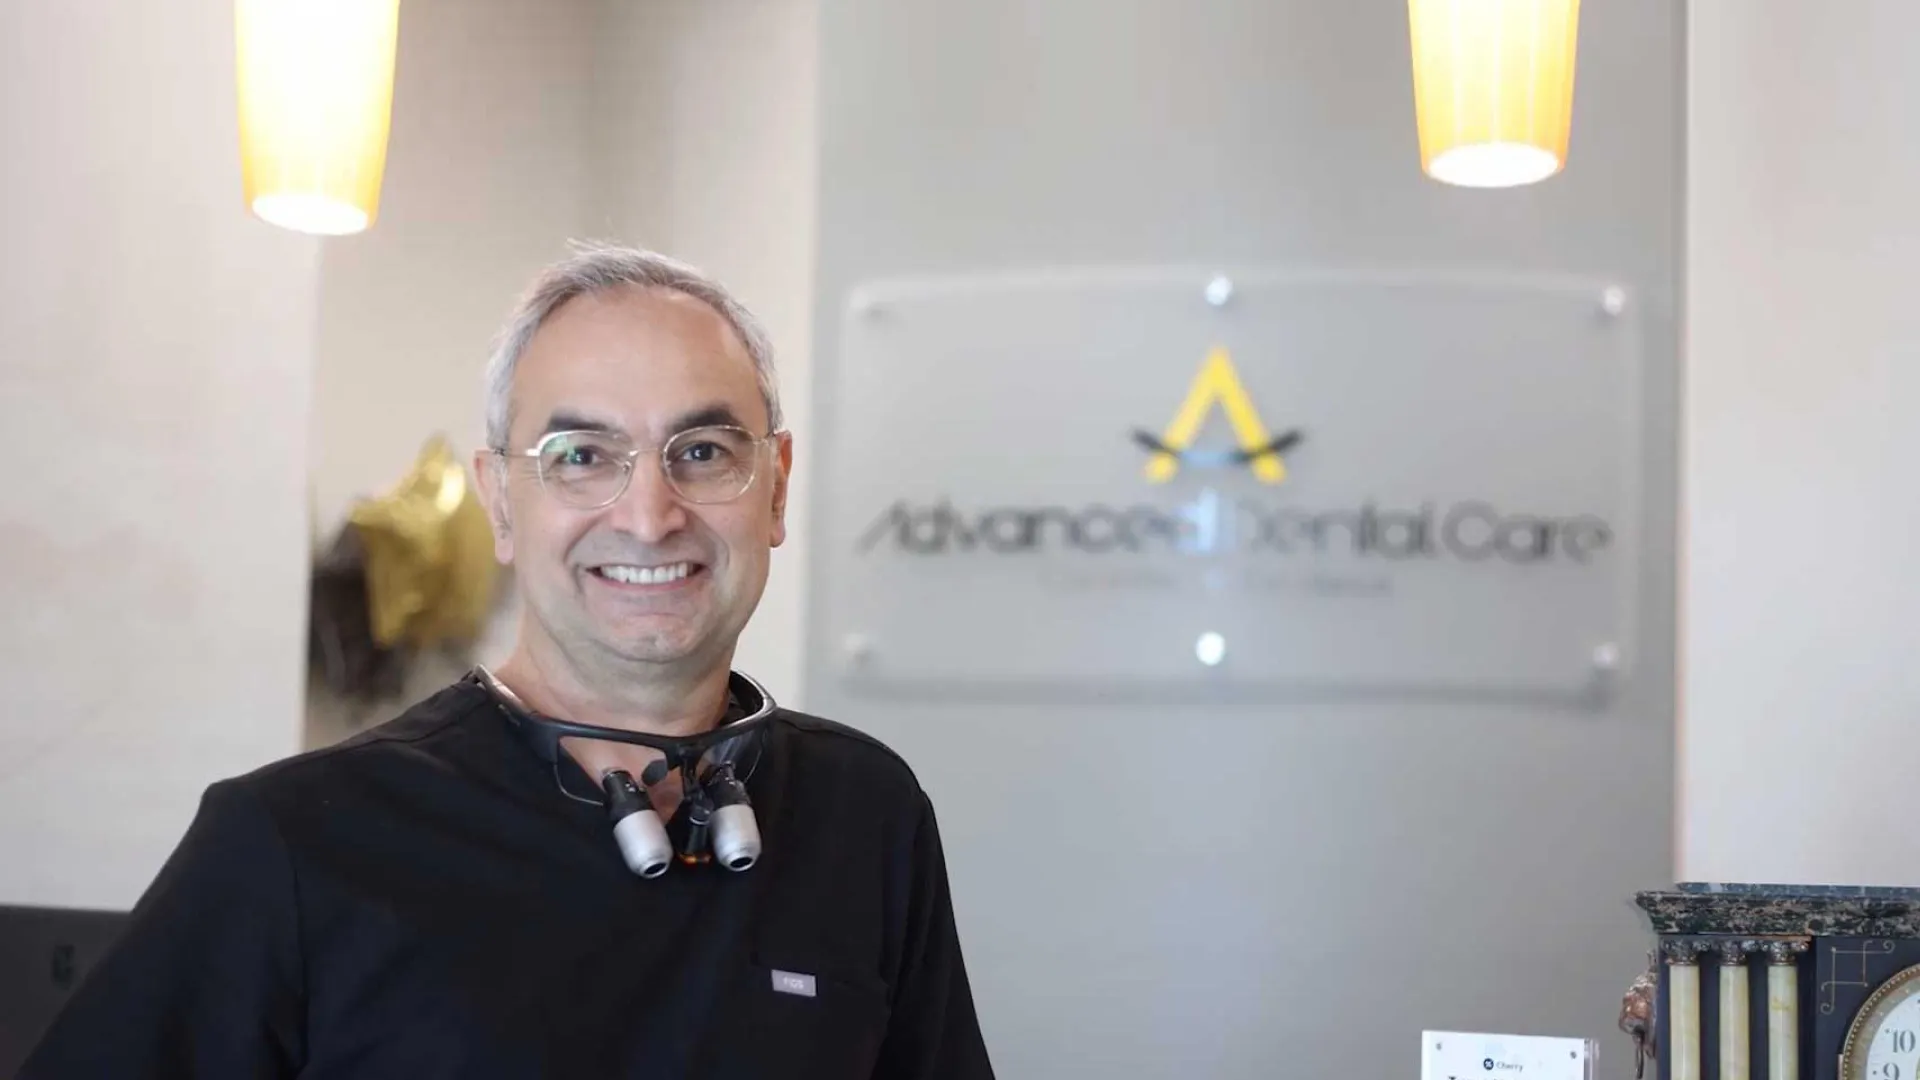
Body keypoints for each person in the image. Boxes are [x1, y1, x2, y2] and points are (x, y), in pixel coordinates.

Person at [21, 243, 996, 1080]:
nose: (650, 514)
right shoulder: (290, 846)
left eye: (702, 451)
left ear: (775, 490)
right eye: (581, 454)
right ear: (497, 502)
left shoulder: (865, 816)